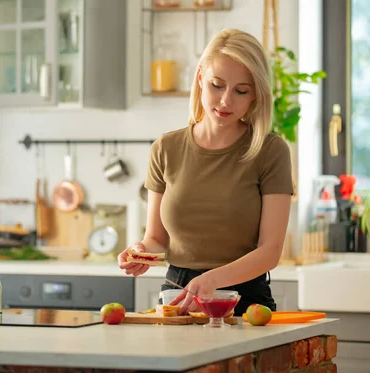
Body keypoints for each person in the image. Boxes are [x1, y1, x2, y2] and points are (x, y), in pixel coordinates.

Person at [118, 28, 293, 316]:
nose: (226, 101)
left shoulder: (270, 151)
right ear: (200, 77)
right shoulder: (165, 148)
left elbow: (270, 251)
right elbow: (157, 240)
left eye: (241, 91)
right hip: (177, 296)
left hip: (244, 300)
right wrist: (139, 252)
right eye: (217, 85)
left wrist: (212, 281)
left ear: (255, 96)